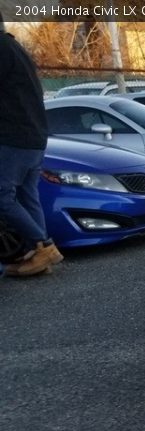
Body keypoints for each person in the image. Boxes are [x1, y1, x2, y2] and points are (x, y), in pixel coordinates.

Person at [0, 12, 63, 277]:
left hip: (14, 136)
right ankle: (38, 256)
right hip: (35, 136)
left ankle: (45, 247)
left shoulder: (2, 49)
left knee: (2, 196)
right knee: (27, 195)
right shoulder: (14, 47)